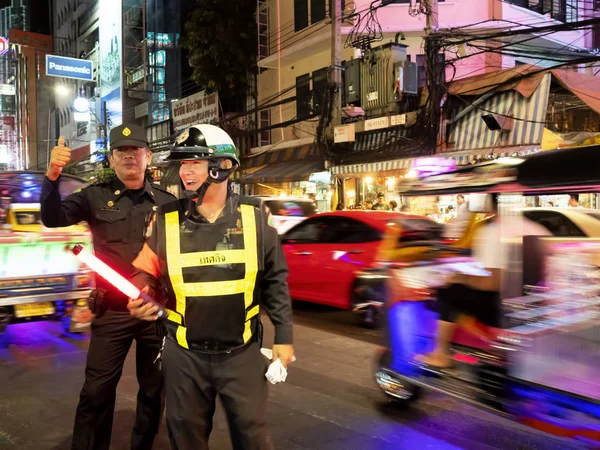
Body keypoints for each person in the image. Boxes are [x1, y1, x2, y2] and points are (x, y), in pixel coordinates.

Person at [127, 124, 295, 450]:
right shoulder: (164, 218)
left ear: (223, 166)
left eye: (196, 162)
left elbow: (276, 281)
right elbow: (144, 271)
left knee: (252, 438)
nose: (186, 171)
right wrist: (140, 292)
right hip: (183, 355)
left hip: (242, 353)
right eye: (184, 163)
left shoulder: (256, 215)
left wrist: (284, 338)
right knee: (185, 438)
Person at [40, 125, 175, 450]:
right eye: (121, 151)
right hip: (111, 312)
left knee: (154, 392)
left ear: (148, 156)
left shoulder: (167, 202)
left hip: (153, 313)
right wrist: (53, 174)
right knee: (96, 392)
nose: (129, 156)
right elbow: (52, 217)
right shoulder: (94, 196)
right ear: (112, 158)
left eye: (136, 150)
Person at [417, 194, 550, 369]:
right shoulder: (536, 229)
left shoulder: (493, 231)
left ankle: (441, 353)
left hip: (503, 308)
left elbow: (492, 283)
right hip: (533, 305)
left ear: (490, 203)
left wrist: (458, 277)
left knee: (449, 291)